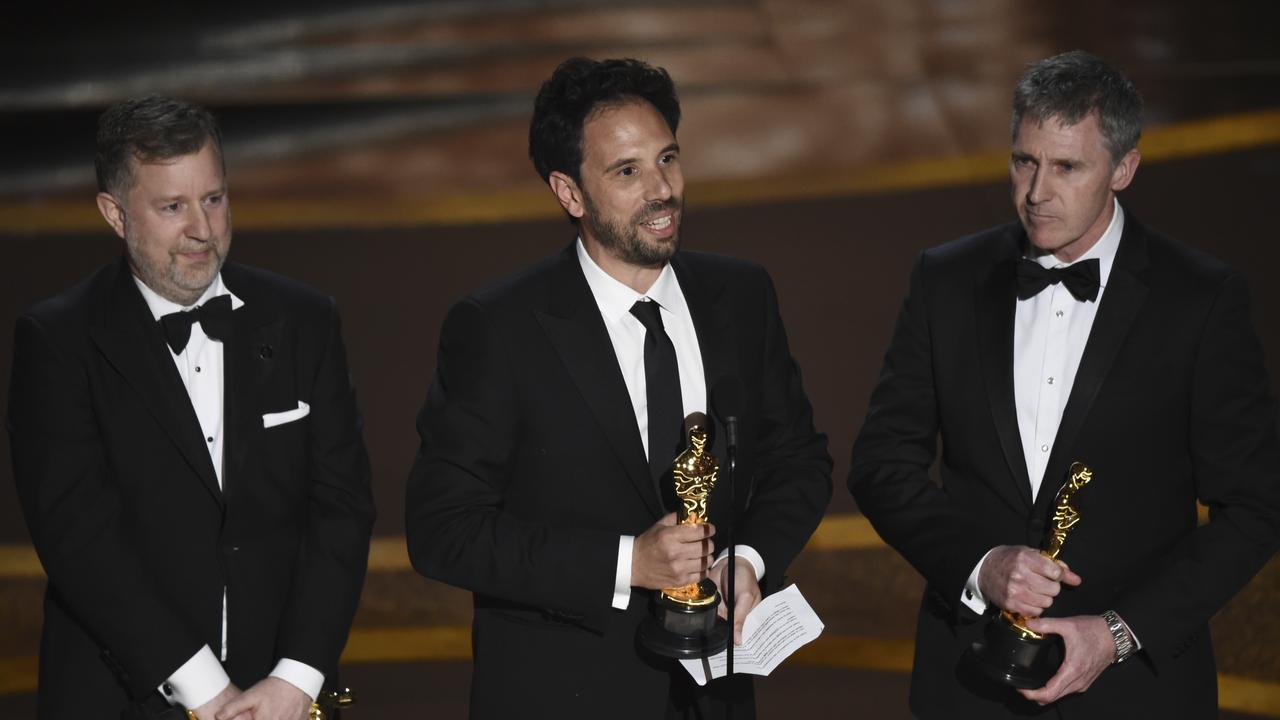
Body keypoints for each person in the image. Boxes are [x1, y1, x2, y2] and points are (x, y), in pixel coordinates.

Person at [850, 50, 1280, 718]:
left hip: (1134, 692)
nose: (1036, 192)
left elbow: (1256, 506)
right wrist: (980, 564)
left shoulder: (1200, 299)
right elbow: (882, 464)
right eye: (1025, 161)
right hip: (968, 686)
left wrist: (1115, 634)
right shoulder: (946, 279)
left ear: (1125, 168)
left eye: (1067, 167)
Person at [405, 57, 831, 718]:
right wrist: (630, 563)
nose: (662, 191)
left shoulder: (741, 296)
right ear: (569, 193)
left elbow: (798, 460)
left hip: (715, 697)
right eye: (627, 172)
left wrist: (746, 560)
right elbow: (443, 530)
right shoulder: (499, 328)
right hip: (562, 697)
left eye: (668, 159)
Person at [8, 96, 375, 720]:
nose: (203, 229)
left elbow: (342, 509)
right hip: (126, 698)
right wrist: (210, 694)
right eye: (172, 207)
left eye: (214, 198)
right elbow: (82, 539)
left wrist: (296, 679)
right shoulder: (59, 341)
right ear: (115, 215)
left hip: (285, 700)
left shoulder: (305, 320)